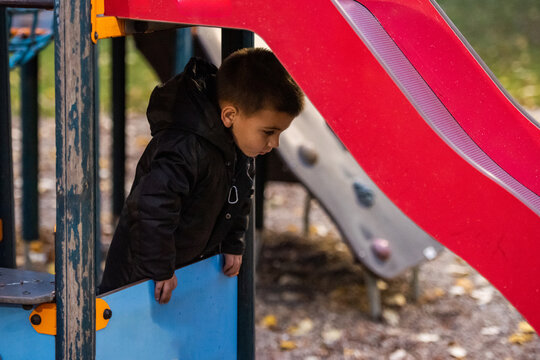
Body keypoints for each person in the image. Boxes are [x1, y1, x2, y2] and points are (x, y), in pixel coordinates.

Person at [99, 48, 305, 303]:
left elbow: (239, 198)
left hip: (179, 269)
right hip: (139, 275)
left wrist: (232, 243)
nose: (274, 143)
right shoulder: (184, 147)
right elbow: (152, 207)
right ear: (230, 115)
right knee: (129, 338)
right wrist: (159, 267)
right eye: (268, 132)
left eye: (279, 134)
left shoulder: (237, 147)